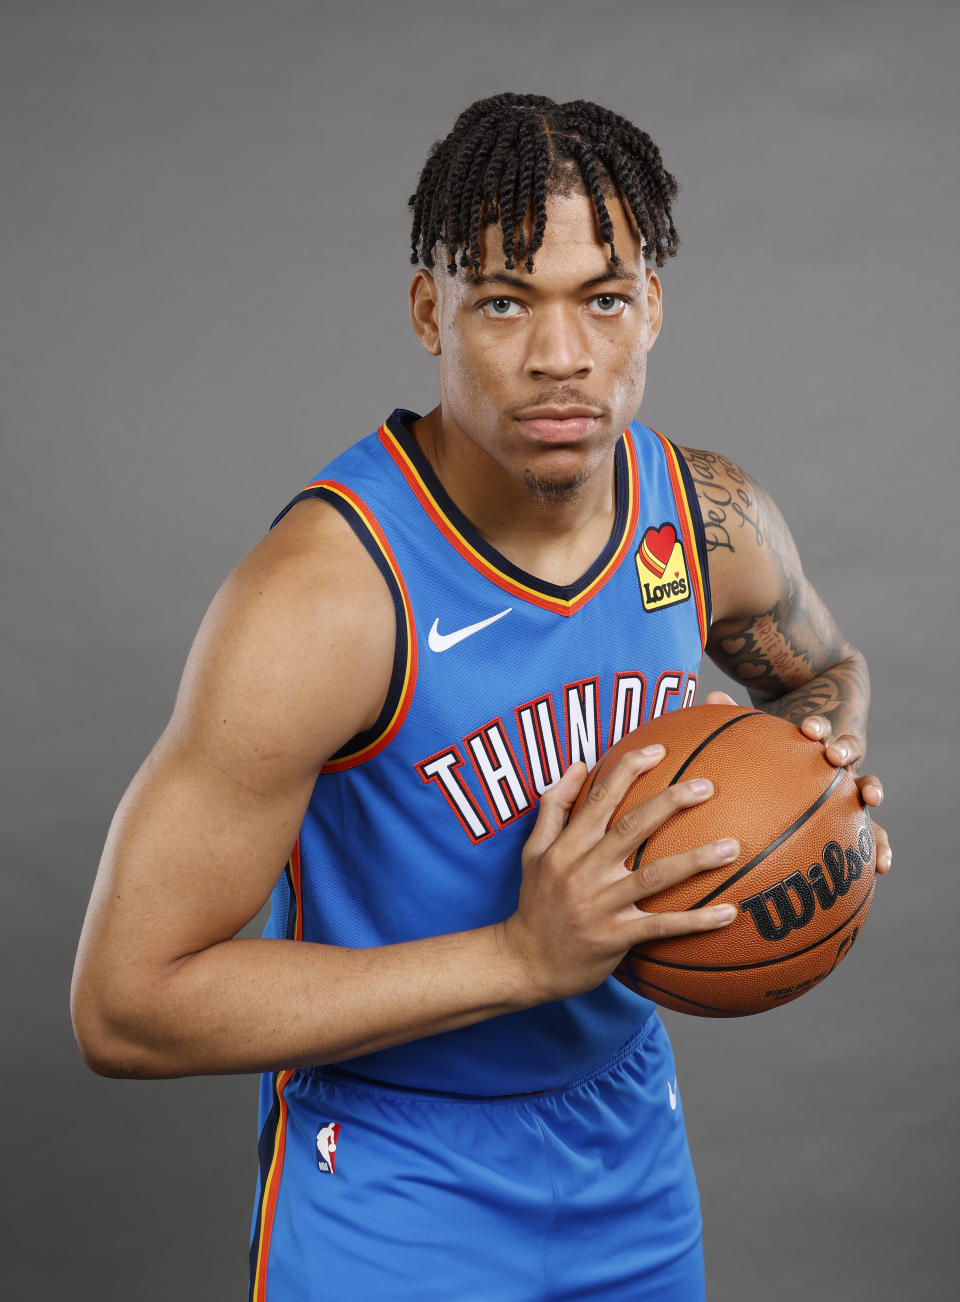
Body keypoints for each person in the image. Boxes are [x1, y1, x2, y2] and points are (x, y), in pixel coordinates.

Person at [71, 93, 891, 1301]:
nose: (562, 356)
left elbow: (826, 670)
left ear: (652, 307)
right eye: (505, 300)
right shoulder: (326, 597)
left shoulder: (705, 517)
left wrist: (817, 773)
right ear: (429, 313)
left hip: (628, 1143)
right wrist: (519, 957)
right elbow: (128, 1007)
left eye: (604, 299)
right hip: (396, 1169)